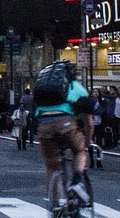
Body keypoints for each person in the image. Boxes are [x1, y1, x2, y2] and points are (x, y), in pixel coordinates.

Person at [33, 61, 92, 202]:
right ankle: (77, 182)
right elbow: (89, 122)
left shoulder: (42, 90)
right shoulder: (77, 88)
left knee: (51, 166)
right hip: (65, 124)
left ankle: (56, 207)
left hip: (44, 125)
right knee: (79, 151)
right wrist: (87, 142)